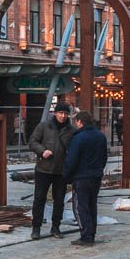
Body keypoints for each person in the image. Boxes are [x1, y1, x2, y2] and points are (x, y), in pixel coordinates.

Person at [29, 102, 74, 239]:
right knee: (39, 199)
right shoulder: (44, 126)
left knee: (59, 200)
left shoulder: (71, 130)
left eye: (66, 114)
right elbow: (32, 141)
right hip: (44, 169)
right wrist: (42, 151)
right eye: (61, 113)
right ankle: (36, 228)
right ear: (55, 113)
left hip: (61, 171)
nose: (63, 116)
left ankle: (55, 227)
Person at [63, 110, 108, 246]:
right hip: (96, 176)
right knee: (91, 204)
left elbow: (71, 159)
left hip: (81, 176)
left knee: (80, 206)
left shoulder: (79, 138)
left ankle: (85, 236)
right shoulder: (100, 136)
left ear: (79, 122)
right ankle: (91, 233)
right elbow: (104, 157)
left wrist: (66, 176)